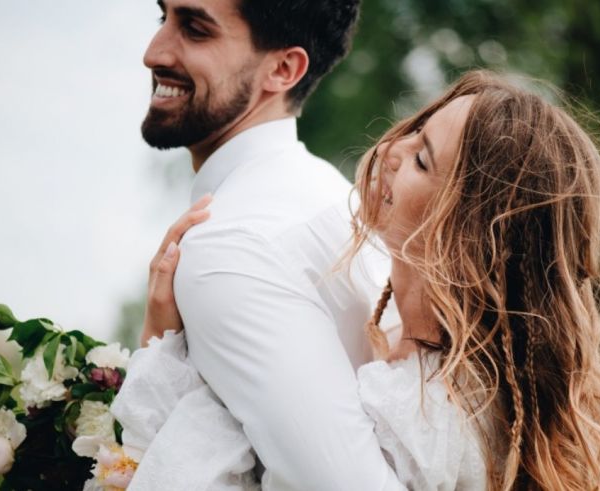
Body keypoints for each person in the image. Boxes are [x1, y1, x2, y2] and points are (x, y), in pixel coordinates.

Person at [127, 70, 600, 490]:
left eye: (422, 159)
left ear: (467, 237)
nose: (393, 149)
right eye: (415, 129)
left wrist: (163, 347)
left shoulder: (429, 413)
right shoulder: (417, 366)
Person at [123, 0, 404, 490]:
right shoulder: (331, 194)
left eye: (194, 29)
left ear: (283, 69)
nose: (154, 52)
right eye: (161, 18)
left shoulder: (229, 247)